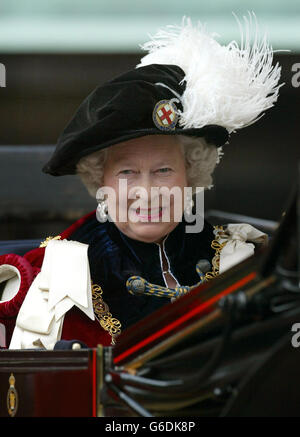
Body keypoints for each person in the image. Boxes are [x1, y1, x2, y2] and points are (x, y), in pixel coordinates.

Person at [0, 14, 281, 350]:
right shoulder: (48, 278)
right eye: (126, 173)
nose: (147, 193)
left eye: (163, 171)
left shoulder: (241, 259)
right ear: (99, 179)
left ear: (190, 177)